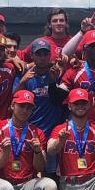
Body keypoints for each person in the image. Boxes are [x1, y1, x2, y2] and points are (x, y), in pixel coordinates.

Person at [14, 38, 67, 176]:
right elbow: (13, 101)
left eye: (45, 54)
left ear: (50, 55)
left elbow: (62, 98)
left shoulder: (58, 74)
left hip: (52, 133)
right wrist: (22, 81)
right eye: (38, 54)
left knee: (51, 172)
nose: (42, 58)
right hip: (31, 133)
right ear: (32, 55)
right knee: (28, 171)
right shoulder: (25, 76)